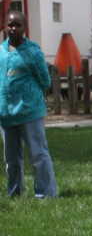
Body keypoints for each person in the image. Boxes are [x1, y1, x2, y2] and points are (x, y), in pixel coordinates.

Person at [0, 11, 58, 199]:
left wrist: (28, 95)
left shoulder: (33, 52)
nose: (13, 28)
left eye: (17, 25)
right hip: (6, 114)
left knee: (38, 155)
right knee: (11, 159)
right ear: (5, 27)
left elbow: (45, 81)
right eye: (10, 24)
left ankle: (46, 193)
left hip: (29, 112)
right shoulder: (1, 52)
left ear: (24, 28)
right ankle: (15, 193)